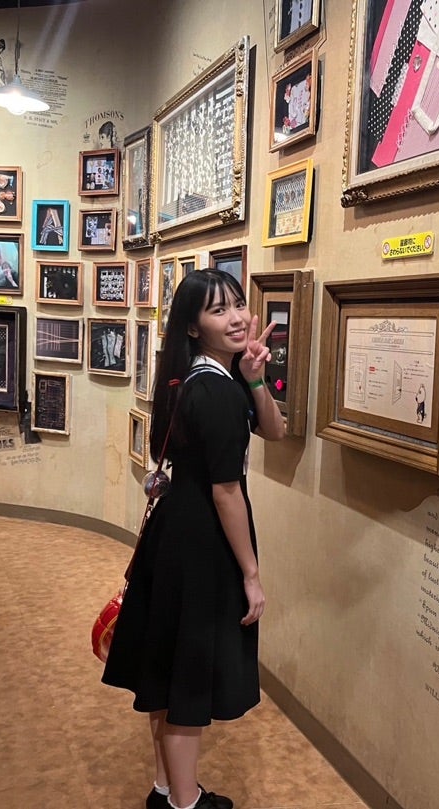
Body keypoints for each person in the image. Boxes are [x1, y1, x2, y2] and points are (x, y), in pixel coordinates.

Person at [102, 270, 285, 809]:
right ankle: (186, 804)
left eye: (238, 304)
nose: (237, 318)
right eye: (218, 310)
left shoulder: (191, 380)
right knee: (189, 678)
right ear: (192, 326)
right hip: (203, 545)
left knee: (166, 668)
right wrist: (251, 574)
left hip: (173, 535)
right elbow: (227, 493)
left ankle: (166, 791)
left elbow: (275, 430)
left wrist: (255, 378)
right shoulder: (215, 392)